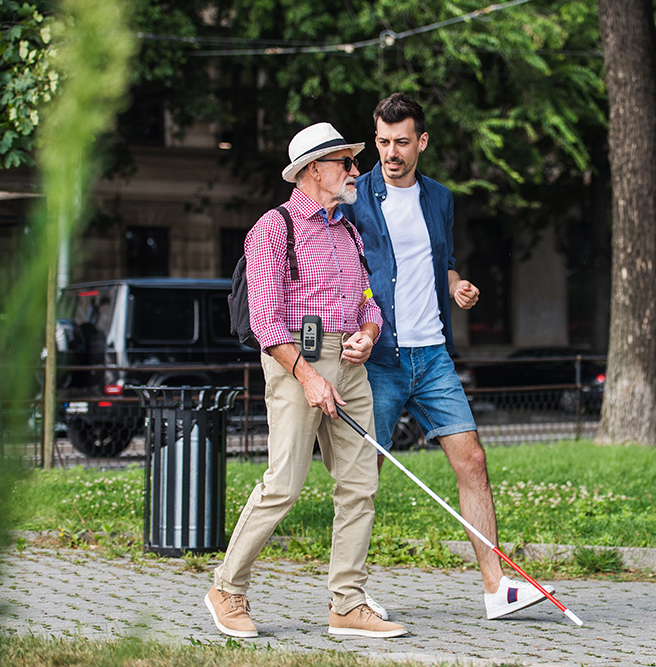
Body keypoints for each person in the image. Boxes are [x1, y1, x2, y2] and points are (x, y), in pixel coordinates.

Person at [341, 93, 554, 620]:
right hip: (383, 358)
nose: (390, 153)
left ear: (422, 142)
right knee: (364, 473)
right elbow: (346, 270)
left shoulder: (439, 197)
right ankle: (349, 592)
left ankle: (495, 588)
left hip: (433, 353)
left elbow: (445, 261)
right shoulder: (356, 197)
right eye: (383, 142)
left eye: (401, 142)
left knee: (472, 459)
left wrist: (458, 287)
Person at [204, 122, 407, 640]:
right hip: (295, 360)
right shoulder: (273, 230)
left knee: (360, 484)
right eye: (346, 161)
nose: (356, 170)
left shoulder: (349, 230)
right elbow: (265, 320)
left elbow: (368, 298)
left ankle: (347, 604)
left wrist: (368, 329)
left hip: (349, 360)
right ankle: (227, 589)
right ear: (314, 169)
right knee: (284, 484)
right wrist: (309, 377)